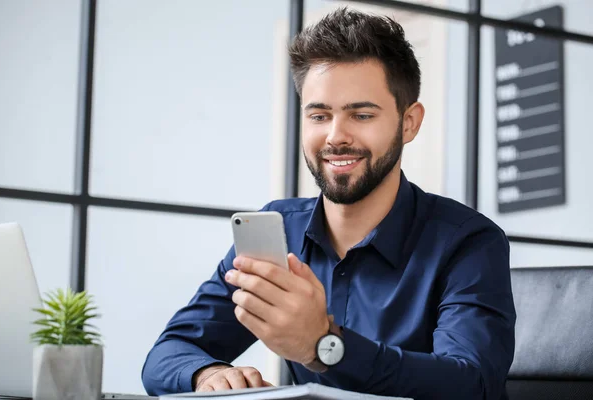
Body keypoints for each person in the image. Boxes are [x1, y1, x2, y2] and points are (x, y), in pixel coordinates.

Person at [141, 7, 516, 400]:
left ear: (409, 122)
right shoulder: (279, 230)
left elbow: (472, 384)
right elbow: (166, 356)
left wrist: (324, 346)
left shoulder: (469, 242)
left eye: (362, 114)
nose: (336, 137)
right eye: (319, 115)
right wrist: (207, 373)